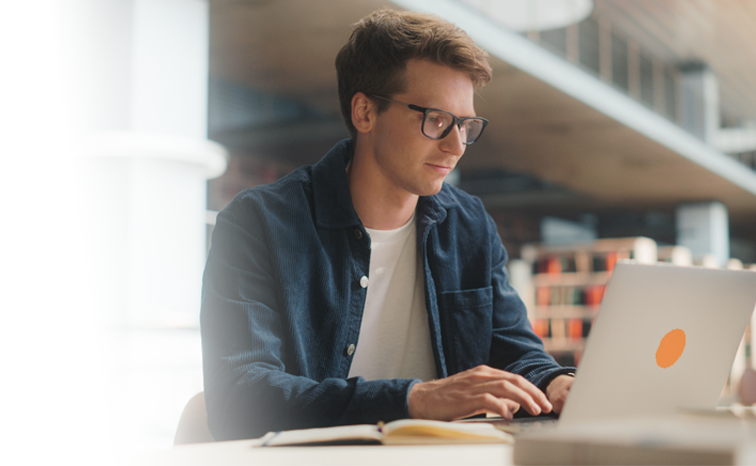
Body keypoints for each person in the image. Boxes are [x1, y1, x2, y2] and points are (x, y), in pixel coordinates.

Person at [199, 9, 576, 440]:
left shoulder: (470, 224)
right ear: (364, 112)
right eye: (435, 119)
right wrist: (414, 399)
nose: (456, 146)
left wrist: (555, 382)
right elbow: (240, 399)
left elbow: (517, 354)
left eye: (466, 125)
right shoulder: (258, 224)